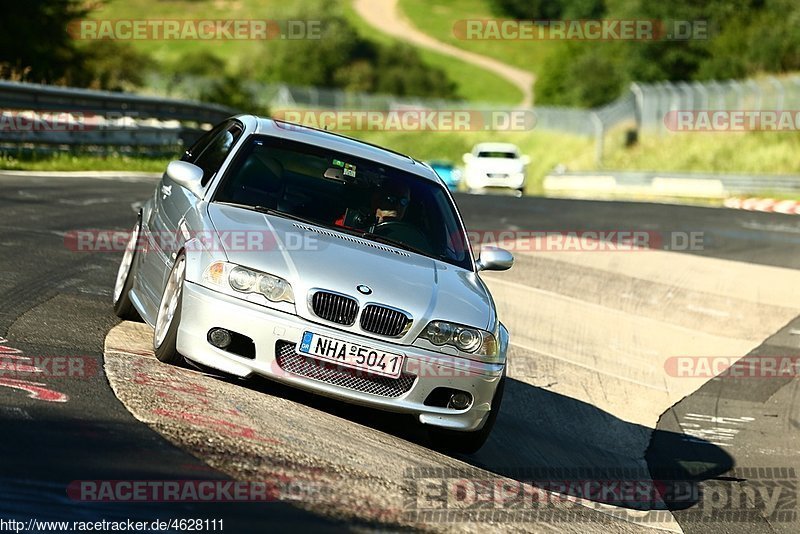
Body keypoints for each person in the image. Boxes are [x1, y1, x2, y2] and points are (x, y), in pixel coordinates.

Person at [334, 180, 410, 228]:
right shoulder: (352, 225)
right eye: (391, 199)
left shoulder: (410, 240)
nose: (397, 205)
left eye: (404, 201)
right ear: (376, 200)